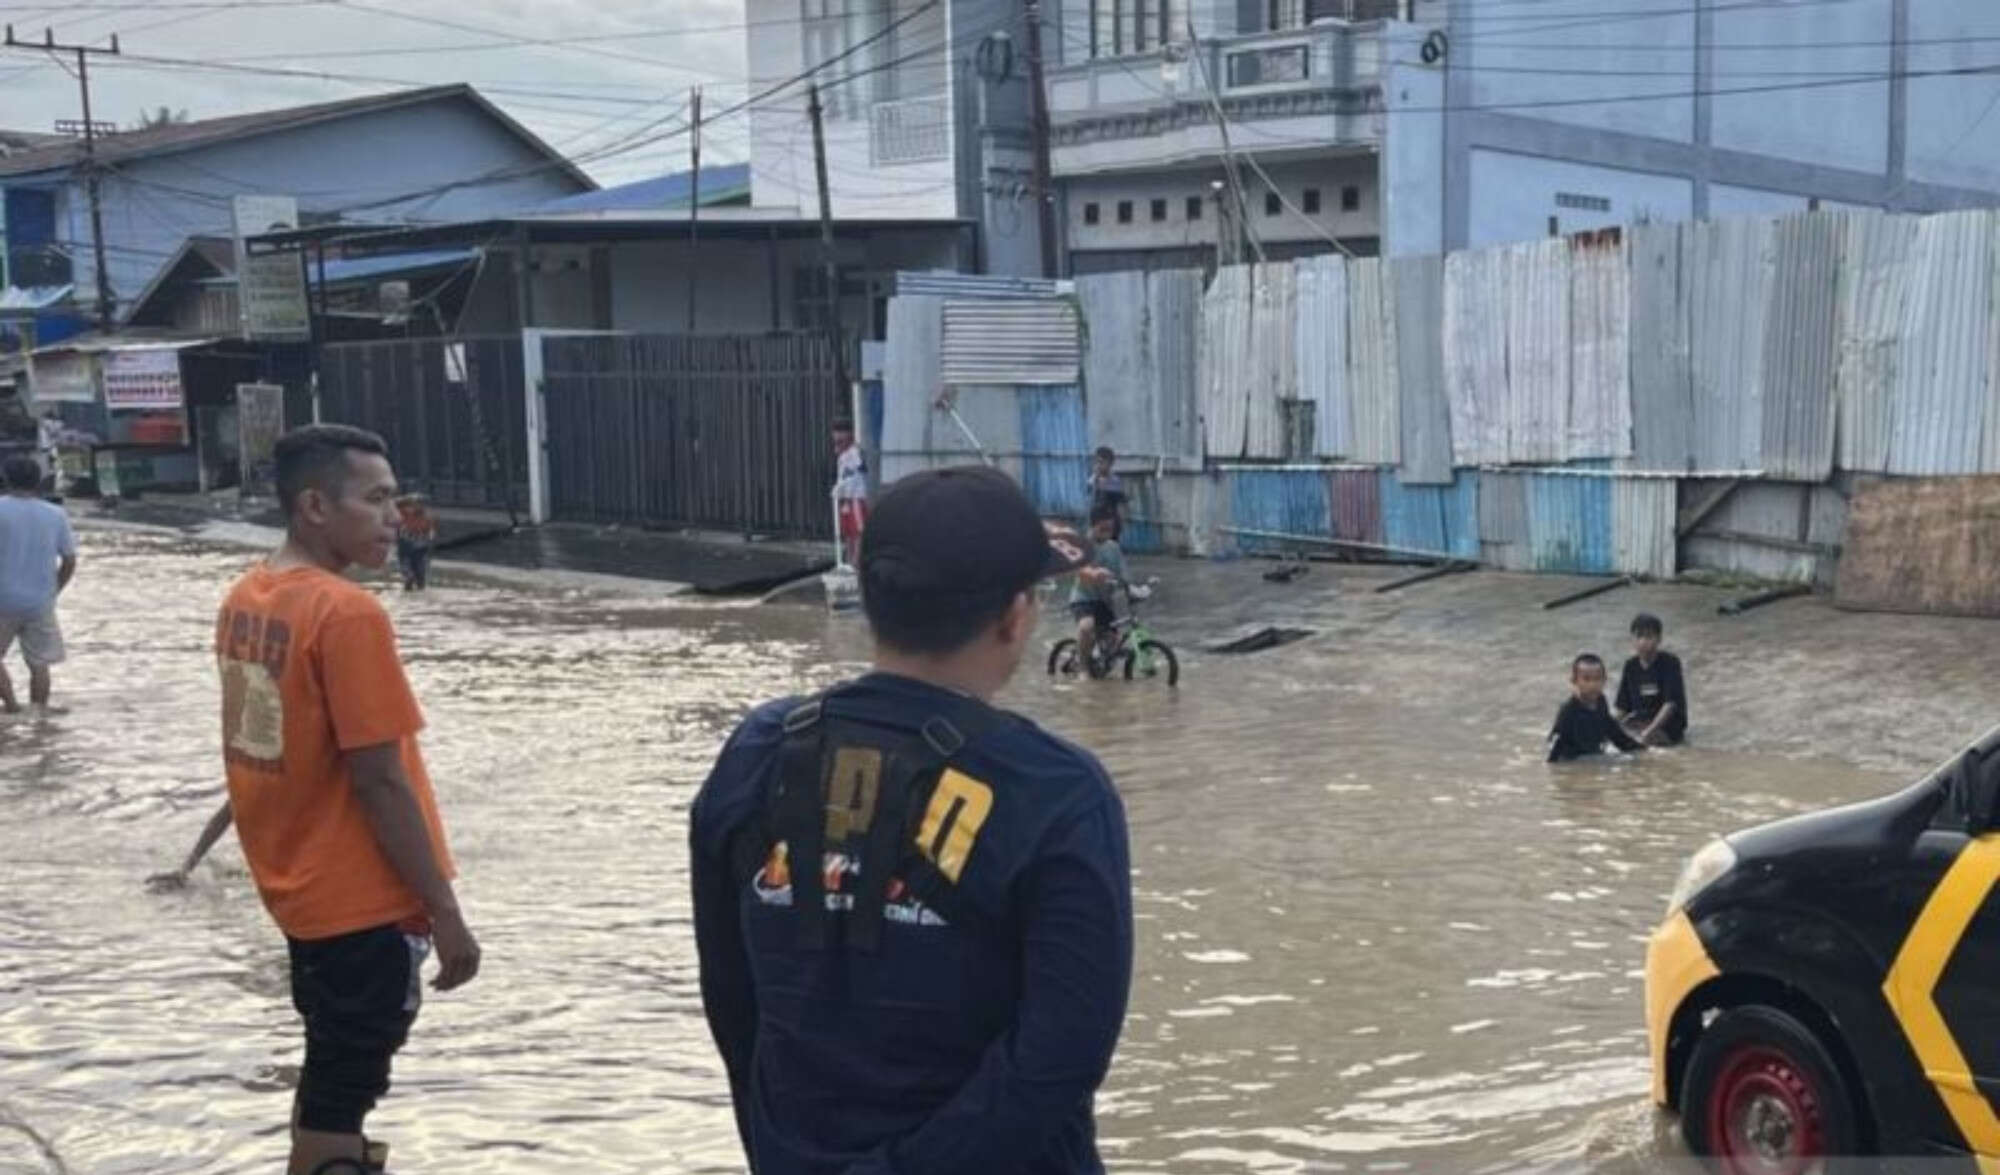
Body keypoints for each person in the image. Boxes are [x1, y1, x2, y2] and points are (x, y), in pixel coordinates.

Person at [690, 464, 1131, 1175]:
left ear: (869, 598)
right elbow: (1059, 1061)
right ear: (1016, 618)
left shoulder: (757, 755)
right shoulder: (1054, 791)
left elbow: (735, 1009)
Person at [195, 424, 478, 1175]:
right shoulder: (347, 613)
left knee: (329, 1088)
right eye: (376, 499)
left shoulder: (247, 598)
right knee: (337, 1101)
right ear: (316, 505)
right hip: (362, 905)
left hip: (299, 896)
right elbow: (379, 778)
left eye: (396, 497)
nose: (395, 515)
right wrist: (447, 914)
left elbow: (261, 753)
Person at [0, 454, 77, 716]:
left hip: (2, 599)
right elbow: (69, 559)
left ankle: (10, 707)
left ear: (6, 478)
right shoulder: (55, 514)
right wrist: (54, 590)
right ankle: (38, 714)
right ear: (38, 481)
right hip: (40, 601)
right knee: (39, 663)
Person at [1547, 653, 1646, 763]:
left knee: (1633, 760)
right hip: (1575, 760)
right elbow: (1555, 744)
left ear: (1604, 680)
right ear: (1574, 681)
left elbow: (1614, 732)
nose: (1593, 685)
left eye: (1597, 679)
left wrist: (1642, 750)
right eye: (1586, 679)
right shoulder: (1568, 710)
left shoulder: (1601, 702)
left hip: (1594, 755)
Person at [1614, 612, 1688, 746]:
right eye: (1639, 636)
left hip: (1667, 725)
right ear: (1633, 640)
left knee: (1647, 744)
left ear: (1659, 639)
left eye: (1648, 637)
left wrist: (1647, 733)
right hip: (1640, 721)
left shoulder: (1670, 663)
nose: (1643, 642)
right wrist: (1609, 728)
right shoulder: (1630, 666)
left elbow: (1669, 705)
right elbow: (1622, 708)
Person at [1069, 509, 1127, 669]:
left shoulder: (1114, 548)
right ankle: (1083, 667)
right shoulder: (1082, 545)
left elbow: (1123, 575)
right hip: (1083, 599)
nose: (1106, 534)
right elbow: (1080, 570)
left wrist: (1133, 587)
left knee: (1113, 640)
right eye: (1102, 529)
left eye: (1110, 530)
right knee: (1087, 626)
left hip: (1104, 600)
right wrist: (1094, 574)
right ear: (1093, 526)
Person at [833, 418, 869, 568]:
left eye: (841, 433)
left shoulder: (854, 452)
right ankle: (848, 560)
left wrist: (847, 477)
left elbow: (861, 468)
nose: (837, 438)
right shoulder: (842, 453)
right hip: (845, 497)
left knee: (858, 530)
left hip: (855, 497)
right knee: (847, 531)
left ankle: (856, 561)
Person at [394, 494, 437, 592]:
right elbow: (394, 504)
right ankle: (407, 592)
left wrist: (428, 542)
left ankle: (418, 593)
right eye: (415, 504)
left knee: (421, 579)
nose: (417, 507)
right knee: (409, 576)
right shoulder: (405, 512)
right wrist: (406, 499)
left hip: (421, 549)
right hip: (406, 547)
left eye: (420, 504)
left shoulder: (429, 517)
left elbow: (431, 534)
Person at [1087, 446, 1125, 540]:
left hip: (1109, 524)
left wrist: (1120, 523)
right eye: (1097, 462)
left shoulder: (1114, 482)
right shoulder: (1093, 479)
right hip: (1095, 522)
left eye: (1102, 462)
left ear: (1110, 464)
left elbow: (1120, 505)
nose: (1098, 465)